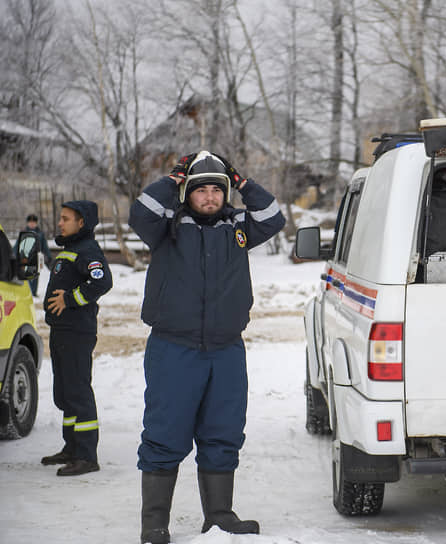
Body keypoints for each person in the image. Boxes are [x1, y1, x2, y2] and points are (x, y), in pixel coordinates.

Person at [128, 151, 285, 544]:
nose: (211, 197)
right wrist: (174, 177)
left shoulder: (238, 228)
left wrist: (242, 180)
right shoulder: (166, 227)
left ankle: (219, 516)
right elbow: (140, 212)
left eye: (218, 189)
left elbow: (273, 216)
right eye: (202, 190)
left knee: (223, 431)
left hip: (225, 350)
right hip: (173, 348)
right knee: (165, 432)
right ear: (188, 193)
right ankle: (154, 523)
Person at [40, 201, 112, 476]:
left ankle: (86, 456)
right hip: (62, 331)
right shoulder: (70, 250)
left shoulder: (88, 250)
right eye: (61, 218)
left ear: (82, 223)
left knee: (78, 392)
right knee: (66, 392)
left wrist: (70, 299)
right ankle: (71, 448)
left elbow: (102, 281)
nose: (60, 223)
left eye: (66, 219)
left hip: (77, 332)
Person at [15, 213, 53, 296]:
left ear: (36, 223)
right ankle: (27, 293)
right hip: (25, 258)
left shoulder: (40, 234)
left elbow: (44, 246)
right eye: (30, 222)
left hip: (36, 258)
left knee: (35, 275)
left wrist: (48, 256)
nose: (32, 224)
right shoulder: (24, 233)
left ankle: (34, 292)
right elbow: (17, 245)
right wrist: (14, 255)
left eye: (34, 222)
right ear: (27, 223)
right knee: (26, 275)